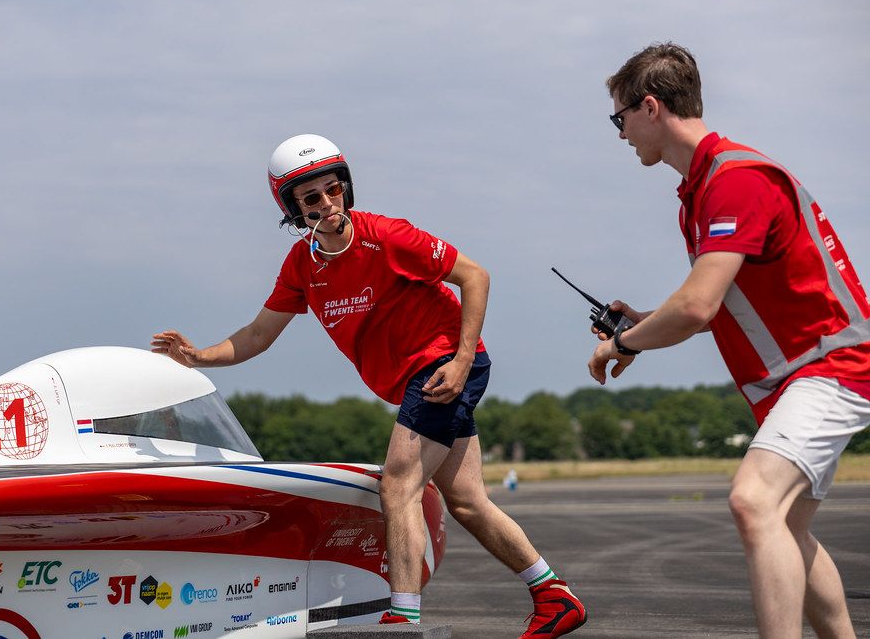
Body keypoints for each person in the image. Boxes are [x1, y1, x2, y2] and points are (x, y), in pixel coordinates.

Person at [153, 134, 587, 638]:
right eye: (311, 198)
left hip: (443, 365)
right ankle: (554, 597)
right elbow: (257, 334)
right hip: (419, 378)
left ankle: (401, 618)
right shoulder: (301, 266)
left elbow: (475, 276)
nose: (326, 204)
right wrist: (198, 356)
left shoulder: (387, 235)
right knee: (467, 501)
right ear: (292, 208)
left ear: (346, 188)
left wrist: (463, 360)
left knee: (398, 486)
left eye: (333, 190)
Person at [590, 42, 870, 638]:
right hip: (804, 373)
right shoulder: (705, 186)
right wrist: (641, 318)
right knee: (786, 525)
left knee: (753, 502)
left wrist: (626, 342)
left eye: (619, 119)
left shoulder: (733, 181)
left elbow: (697, 307)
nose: (619, 136)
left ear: (650, 108)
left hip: (833, 365)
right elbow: (715, 299)